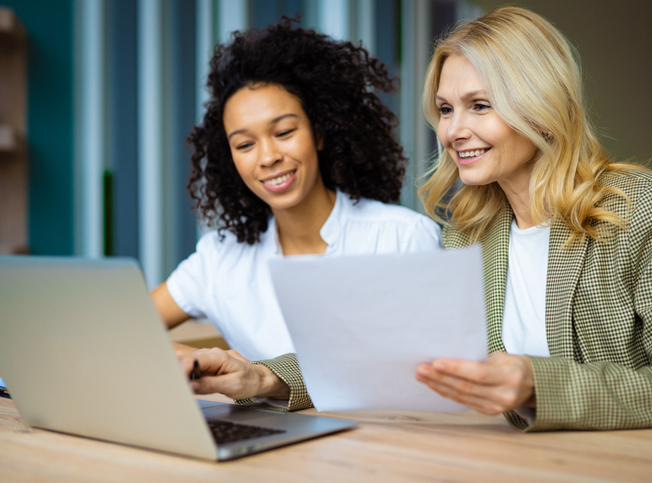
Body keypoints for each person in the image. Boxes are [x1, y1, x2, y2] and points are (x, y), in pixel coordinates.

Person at [413, 6, 652, 431]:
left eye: (480, 105)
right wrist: (290, 379)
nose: (453, 131)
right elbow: (408, 350)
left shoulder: (648, 208)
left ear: (539, 105)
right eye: (446, 109)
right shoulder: (468, 234)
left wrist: (539, 386)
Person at [154, 20, 441, 408]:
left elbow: (408, 372)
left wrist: (261, 375)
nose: (269, 156)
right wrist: (195, 361)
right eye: (244, 144)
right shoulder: (219, 258)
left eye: (284, 132)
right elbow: (120, 326)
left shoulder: (402, 238)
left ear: (319, 133)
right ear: (230, 159)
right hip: (263, 453)